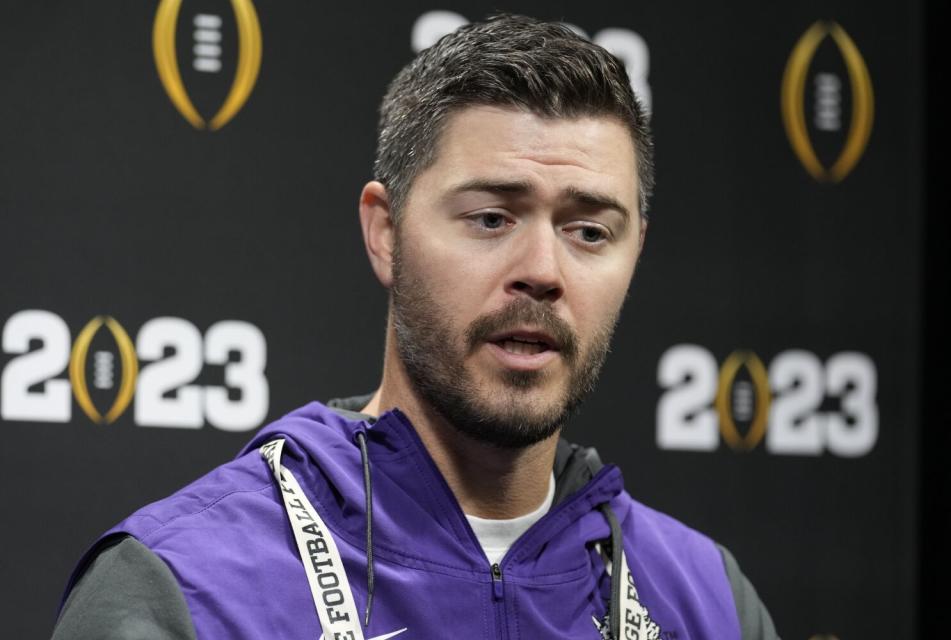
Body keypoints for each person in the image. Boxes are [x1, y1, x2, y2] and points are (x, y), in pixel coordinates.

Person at [53, 13, 778, 640]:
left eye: (589, 230)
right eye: (491, 217)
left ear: (635, 252)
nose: (542, 270)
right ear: (386, 233)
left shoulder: (708, 601)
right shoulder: (188, 584)